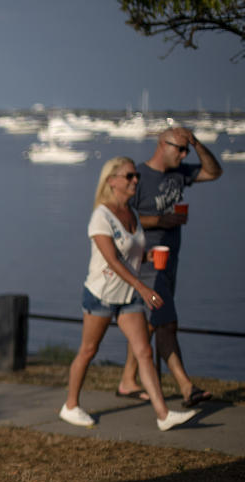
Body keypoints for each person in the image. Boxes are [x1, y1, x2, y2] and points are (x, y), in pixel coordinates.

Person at [60, 156, 197, 431]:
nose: (136, 180)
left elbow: (130, 254)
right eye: (130, 176)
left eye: (136, 176)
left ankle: (163, 414)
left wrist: (147, 256)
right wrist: (143, 287)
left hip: (128, 295)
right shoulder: (101, 216)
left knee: (144, 351)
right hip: (101, 294)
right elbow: (112, 259)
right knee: (89, 350)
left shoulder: (131, 214)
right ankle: (70, 406)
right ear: (112, 181)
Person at [116, 127, 223, 407]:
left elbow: (214, 172)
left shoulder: (180, 173)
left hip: (169, 262)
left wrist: (197, 142)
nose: (185, 154)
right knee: (166, 322)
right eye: (180, 148)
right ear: (162, 145)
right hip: (147, 262)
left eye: (187, 149)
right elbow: (122, 217)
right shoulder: (138, 177)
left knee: (150, 325)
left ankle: (128, 379)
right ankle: (187, 387)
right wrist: (160, 221)